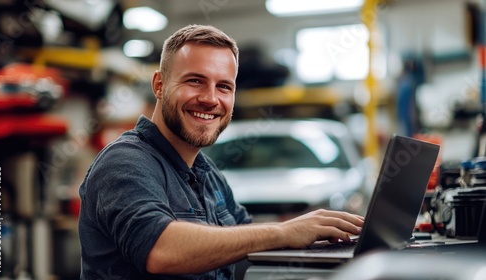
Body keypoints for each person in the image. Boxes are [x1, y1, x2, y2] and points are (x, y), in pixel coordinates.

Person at [78, 24, 364, 279]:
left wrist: (341, 236)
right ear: (159, 85)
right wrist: (284, 230)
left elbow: (249, 241)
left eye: (224, 86)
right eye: (195, 81)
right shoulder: (124, 162)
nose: (210, 99)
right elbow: (159, 249)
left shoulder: (207, 174)